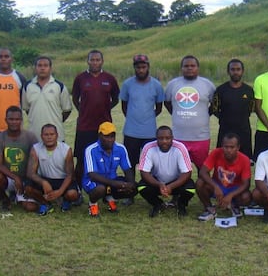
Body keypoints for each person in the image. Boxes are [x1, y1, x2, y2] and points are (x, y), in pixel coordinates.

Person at [72, 50, 120, 204]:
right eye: (92, 60)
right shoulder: (80, 78)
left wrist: (104, 109)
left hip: (104, 126)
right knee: (81, 160)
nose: (94, 62)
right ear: (87, 61)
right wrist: (84, 110)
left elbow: (115, 99)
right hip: (85, 126)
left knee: (106, 160)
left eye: (97, 60)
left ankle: (106, 192)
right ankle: (77, 191)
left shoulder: (109, 79)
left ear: (102, 61)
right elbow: (75, 98)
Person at [119, 54, 164, 205]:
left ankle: (150, 193)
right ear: (134, 68)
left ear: (148, 67)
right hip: (131, 132)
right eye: (138, 67)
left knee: (149, 165)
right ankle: (130, 194)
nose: (141, 69)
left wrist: (147, 119)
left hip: (150, 132)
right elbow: (124, 106)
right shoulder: (127, 84)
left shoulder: (156, 85)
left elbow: (159, 108)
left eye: (143, 67)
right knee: (129, 164)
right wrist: (133, 118)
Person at [164, 55, 215, 170]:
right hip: (178, 137)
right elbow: (167, 103)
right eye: (186, 66)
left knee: (203, 170)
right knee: (178, 170)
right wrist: (177, 113)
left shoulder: (208, 85)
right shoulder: (172, 85)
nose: (189, 68)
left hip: (201, 137)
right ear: (181, 68)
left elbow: (214, 105)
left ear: (198, 68)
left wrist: (205, 114)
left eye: (193, 66)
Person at [0, 106, 39, 212]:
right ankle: (5, 199)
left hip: (26, 178)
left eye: (17, 119)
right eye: (11, 119)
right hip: (8, 177)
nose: (14, 122)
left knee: (31, 208)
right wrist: (15, 178)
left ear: (21, 120)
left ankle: (17, 196)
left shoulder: (30, 137)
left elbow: (35, 161)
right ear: (6, 120)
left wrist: (28, 181)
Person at [138, 125, 195, 217]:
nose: (164, 141)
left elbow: (187, 173)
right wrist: (159, 184)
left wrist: (171, 187)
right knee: (141, 187)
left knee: (190, 188)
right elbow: (144, 172)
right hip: (157, 182)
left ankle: (181, 205)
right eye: (161, 138)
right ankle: (158, 204)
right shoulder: (148, 147)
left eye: (167, 138)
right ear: (156, 138)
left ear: (172, 138)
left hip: (176, 182)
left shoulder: (180, 148)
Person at [82, 122, 137, 217]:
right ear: (99, 136)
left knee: (135, 187)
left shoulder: (121, 148)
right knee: (100, 189)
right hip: (93, 181)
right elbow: (92, 175)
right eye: (106, 136)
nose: (110, 140)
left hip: (111, 180)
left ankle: (108, 197)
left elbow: (128, 169)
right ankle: (92, 204)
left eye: (112, 136)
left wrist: (130, 184)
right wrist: (115, 184)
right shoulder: (91, 150)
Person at [196, 133, 252, 221]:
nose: (228, 150)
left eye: (232, 147)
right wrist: (216, 187)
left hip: (234, 188)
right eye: (226, 147)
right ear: (222, 146)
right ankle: (209, 209)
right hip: (218, 185)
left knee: (246, 196)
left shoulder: (244, 159)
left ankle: (234, 206)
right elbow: (203, 172)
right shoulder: (216, 153)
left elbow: (246, 184)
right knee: (200, 183)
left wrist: (231, 195)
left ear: (238, 147)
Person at [25, 124, 78, 216]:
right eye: (46, 135)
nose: (49, 137)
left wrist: (60, 191)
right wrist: (43, 182)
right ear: (41, 136)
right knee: (28, 188)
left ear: (57, 135)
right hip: (45, 178)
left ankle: (65, 200)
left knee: (72, 194)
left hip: (62, 179)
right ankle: (45, 203)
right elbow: (31, 173)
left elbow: (70, 175)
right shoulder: (36, 149)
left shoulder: (66, 149)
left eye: (52, 134)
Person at [211, 59, 254, 160]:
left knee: (244, 159)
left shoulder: (248, 90)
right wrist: (225, 118)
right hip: (225, 130)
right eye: (233, 69)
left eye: (238, 69)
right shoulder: (221, 90)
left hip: (244, 131)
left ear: (242, 71)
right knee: (223, 159)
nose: (235, 72)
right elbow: (214, 109)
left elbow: (251, 108)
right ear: (228, 71)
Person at [22, 56, 72, 142]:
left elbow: (67, 110)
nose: (42, 68)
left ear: (50, 68)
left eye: (45, 65)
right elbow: (27, 109)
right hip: (34, 135)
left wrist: (57, 121)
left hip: (56, 135)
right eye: (39, 65)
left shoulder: (59, 86)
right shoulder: (27, 86)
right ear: (35, 68)